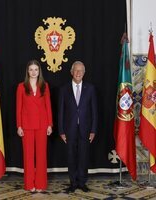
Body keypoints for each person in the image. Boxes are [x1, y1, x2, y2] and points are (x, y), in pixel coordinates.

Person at [58, 61, 98, 193]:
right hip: (69, 130)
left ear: (84, 73)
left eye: (81, 71)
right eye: (76, 70)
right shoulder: (64, 89)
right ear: (71, 72)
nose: (78, 73)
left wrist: (93, 130)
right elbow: (61, 111)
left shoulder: (90, 88)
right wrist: (61, 130)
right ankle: (73, 183)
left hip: (85, 129)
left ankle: (82, 182)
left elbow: (94, 111)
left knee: (83, 156)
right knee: (71, 156)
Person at [16, 59, 53, 192]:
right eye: (31, 69)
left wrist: (50, 124)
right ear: (27, 71)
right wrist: (19, 126)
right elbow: (18, 108)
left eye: (36, 69)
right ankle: (29, 184)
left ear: (39, 71)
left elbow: (48, 106)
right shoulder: (21, 86)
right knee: (28, 156)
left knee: (41, 155)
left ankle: (41, 184)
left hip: (42, 125)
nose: (33, 72)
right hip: (26, 125)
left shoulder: (45, 86)